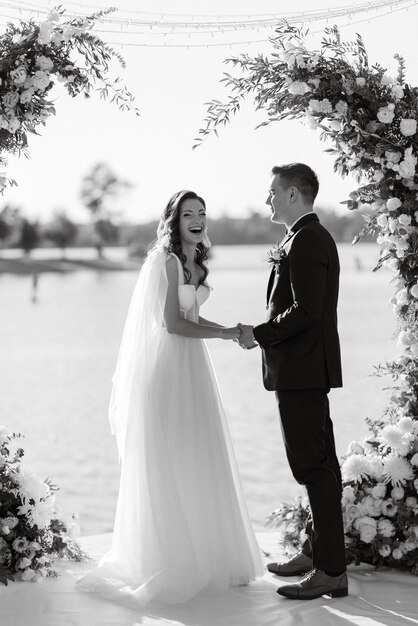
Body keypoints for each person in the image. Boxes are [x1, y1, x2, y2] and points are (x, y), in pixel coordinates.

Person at [77, 190, 263, 607]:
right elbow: (173, 323)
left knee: (200, 455)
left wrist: (231, 331)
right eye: (188, 214)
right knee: (171, 458)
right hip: (168, 370)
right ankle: (169, 557)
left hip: (193, 369)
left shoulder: (195, 261)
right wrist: (221, 335)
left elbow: (192, 318)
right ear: (174, 221)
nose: (196, 219)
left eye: (201, 213)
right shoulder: (167, 261)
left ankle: (209, 554)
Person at [238, 163, 347, 600]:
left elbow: (307, 311)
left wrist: (258, 334)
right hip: (303, 371)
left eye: (272, 192)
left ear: (294, 195)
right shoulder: (300, 238)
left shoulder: (307, 240)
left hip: (302, 372)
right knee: (320, 466)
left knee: (313, 467)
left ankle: (331, 573)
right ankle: (315, 551)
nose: (267, 199)